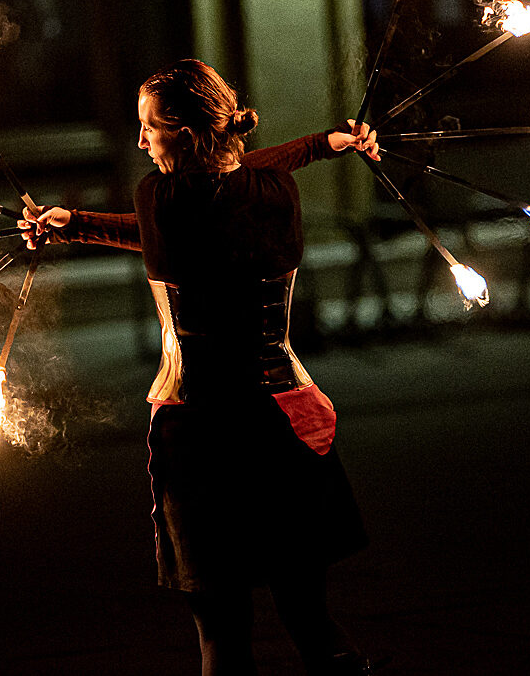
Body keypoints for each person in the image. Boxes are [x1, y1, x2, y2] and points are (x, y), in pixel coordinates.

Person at [19, 59, 380, 675]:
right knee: (308, 614)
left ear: (186, 133)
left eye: (149, 127)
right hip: (284, 421)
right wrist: (320, 146)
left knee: (220, 626)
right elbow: (231, 187)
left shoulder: (158, 198)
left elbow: (175, 219)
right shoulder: (275, 195)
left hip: (203, 434)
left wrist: (72, 225)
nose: (140, 140)